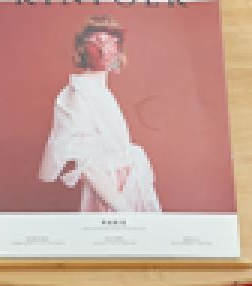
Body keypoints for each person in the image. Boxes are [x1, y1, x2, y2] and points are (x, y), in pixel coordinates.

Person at [35, 15, 162, 213]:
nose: (103, 49)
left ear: (118, 49)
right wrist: (123, 208)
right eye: (95, 42)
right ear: (82, 49)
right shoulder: (77, 93)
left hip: (132, 187)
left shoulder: (101, 91)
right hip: (111, 195)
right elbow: (88, 164)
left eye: (110, 42)